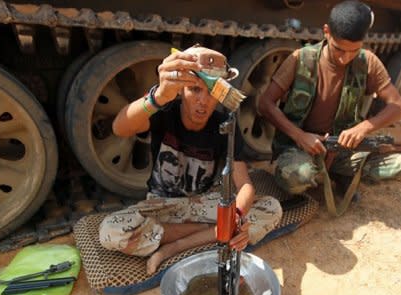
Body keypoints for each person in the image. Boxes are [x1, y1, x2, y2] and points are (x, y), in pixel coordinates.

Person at [99, 45, 282, 274]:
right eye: (195, 90)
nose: (203, 102)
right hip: (163, 205)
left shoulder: (225, 124)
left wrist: (235, 218)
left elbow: (244, 185)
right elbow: (119, 128)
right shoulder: (164, 111)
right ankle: (212, 233)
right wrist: (157, 97)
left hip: (203, 203)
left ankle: (174, 246)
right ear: (180, 90)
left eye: (211, 92)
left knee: (271, 207)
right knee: (110, 231)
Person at [258, 0, 401, 206]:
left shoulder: (368, 61)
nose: (345, 59)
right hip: (301, 147)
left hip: (345, 150)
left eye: (354, 51)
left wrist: (364, 128)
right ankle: (314, 176)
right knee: (296, 177)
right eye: (339, 49)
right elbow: (265, 103)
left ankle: (341, 175)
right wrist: (299, 135)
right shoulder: (301, 59)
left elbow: (398, 107)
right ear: (326, 32)